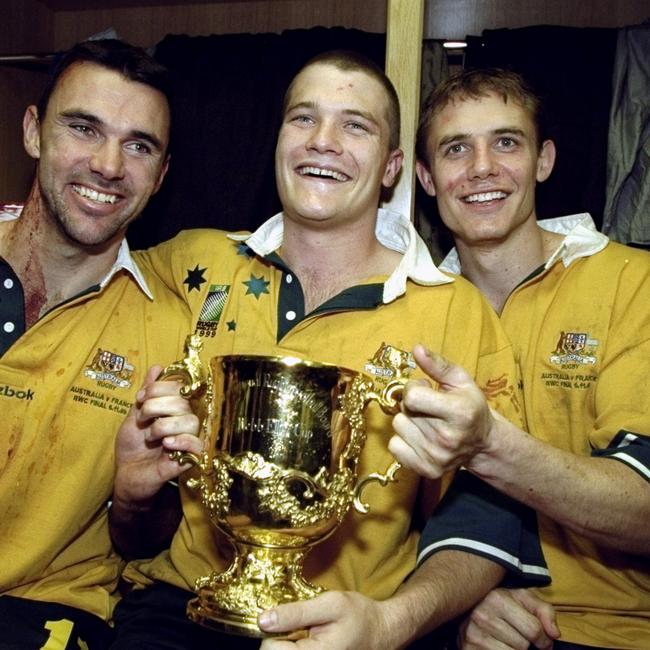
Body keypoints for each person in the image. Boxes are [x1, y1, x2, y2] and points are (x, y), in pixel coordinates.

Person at [109, 51, 549, 650]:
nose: (323, 141)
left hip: (358, 628)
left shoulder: (451, 309)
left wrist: (395, 623)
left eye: (356, 126)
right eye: (303, 118)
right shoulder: (193, 262)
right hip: (180, 610)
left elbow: (488, 518)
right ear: (278, 141)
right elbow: (81, 244)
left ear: (392, 167)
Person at [393, 67, 650, 649]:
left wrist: (487, 445)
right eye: (456, 148)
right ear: (426, 179)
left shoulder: (633, 284)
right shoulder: (410, 311)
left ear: (544, 160)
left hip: (616, 631)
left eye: (506, 142)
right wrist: (462, 601)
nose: (482, 167)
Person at [0, 39, 198, 649]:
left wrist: (136, 499)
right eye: (84, 128)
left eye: (139, 145)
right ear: (34, 131)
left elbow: (144, 546)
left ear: (161, 175)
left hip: (43, 613)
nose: (109, 166)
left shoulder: (171, 329)